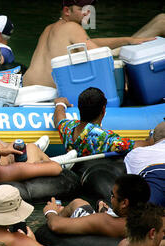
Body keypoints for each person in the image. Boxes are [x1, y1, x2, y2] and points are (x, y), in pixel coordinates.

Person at [23, 1, 158, 87]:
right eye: (82, 8)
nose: (88, 12)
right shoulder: (72, 27)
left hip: (27, 85)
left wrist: (127, 40)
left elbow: (89, 42)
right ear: (66, 11)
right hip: (49, 93)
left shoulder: (50, 28)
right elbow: (101, 57)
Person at [42, 174, 151, 237]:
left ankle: (59, 211)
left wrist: (50, 211)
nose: (111, 199)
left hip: (95, 232)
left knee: (78, 202)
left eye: (112, 195)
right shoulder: (151, 217)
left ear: (124, 203)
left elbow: (56, 225)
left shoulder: (105, 221)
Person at [53, 87, 152, 156]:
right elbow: (137, 146)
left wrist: (60, 103)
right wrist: (151, 138)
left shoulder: (68, 129)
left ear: (79, 108)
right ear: (104, 110)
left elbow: (59, 119)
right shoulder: (104, 137)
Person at [124, 121, 165, 206]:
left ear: (152, 138)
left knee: (146, 213)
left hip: (155, 177)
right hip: (156, 175)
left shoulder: (137, 152)